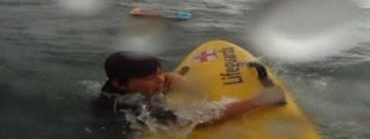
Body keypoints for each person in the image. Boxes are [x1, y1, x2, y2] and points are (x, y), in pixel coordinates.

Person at [97, 51, 286, 129]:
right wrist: (256, 101)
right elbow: (199, 118)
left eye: (160, 73)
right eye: (150, 78)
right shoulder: (129, 106)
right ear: (120, 84)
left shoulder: (126, 85)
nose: (160, 79)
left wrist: (176, 80)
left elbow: (167, 77)